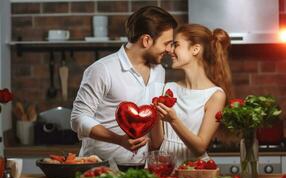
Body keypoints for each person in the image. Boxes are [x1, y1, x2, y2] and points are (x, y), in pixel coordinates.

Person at [71, 6, 177, 163]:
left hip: (140, 169)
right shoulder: (102, 69)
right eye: (166, 43)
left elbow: (152, 118)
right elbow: (78, 119)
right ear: (146, 40)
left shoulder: (159, 70)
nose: (169, 49)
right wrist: (119, 139)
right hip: (99, 168)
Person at [150, 24, 232, 166]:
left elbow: (200, 147)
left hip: (194, 169)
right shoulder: (168, 87)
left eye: (176, 45)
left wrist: (173, 120)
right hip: (165, 166)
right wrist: (155, 115)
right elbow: (158, 143)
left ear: (195, 49)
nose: (170, 50)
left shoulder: (215, 95)